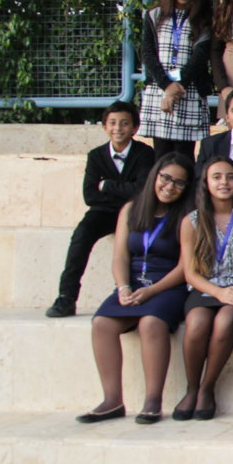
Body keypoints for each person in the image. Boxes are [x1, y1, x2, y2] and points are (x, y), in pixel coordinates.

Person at [78, 154, 194, 423]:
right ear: (155, 176)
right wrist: (123, 287)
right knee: (102, 324)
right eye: (165, 178)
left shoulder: (187, 216)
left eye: (179, 182)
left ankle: (152, 401)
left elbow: (184, 267)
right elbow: (120, 255)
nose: (169, 186)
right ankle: (112, 400)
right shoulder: (131, 209)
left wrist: (152, 291)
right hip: (133, 283)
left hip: (167, 285)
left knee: (151, 323)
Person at [46, 101, 153, 318]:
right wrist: (124, 189)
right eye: (112, 123)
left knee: (141, 240)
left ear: (134, 128)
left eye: (124, 123)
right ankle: (66, 297)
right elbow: (90, 196)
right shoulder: (96, 155)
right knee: (81, 235)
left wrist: (107, 185)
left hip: (135, 212)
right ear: (105, 127)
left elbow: (142, 190)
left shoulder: (145, 153)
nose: (118, 128)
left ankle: (132, 295)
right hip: (103, 212)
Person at [174, 156, 233, 422]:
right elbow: (190, 272)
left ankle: (207, 388)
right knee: (196, 325)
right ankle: (192, 388)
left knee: (224, 322)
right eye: (217, 177)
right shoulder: (192, 221)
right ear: (206, 183)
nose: (224, 182)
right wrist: (218, 292)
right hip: (205, 287)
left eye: (230, 177)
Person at [137, 0, 213, 159]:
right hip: (159, 89)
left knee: (184, 156)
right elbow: (147, 52)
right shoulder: (154, 15)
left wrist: (178, 86)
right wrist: (166, 85)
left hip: (189, 89)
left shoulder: (204, 19)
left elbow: (200, 56)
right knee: (161, 156)